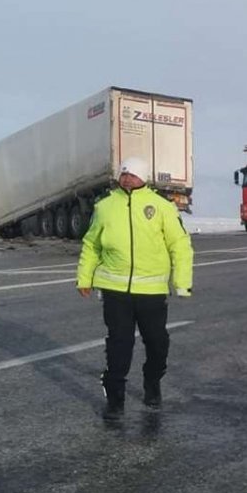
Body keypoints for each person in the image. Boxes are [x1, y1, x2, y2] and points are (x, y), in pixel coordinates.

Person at [77, 157, 194, 420]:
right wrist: (84, 277)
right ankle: (115, 399)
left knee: (157, 342)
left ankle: (152, 382)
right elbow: (91, 244)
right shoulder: (105, 207)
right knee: (119, 345)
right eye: (124, 174)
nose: (127, 178)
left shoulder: (162, 207)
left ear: (144, 178)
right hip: (115, 290)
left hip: (152, 292)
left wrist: (182, 283)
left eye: (133, 175)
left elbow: (180, 245)